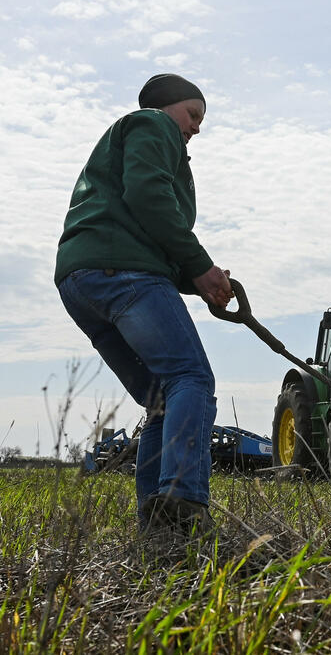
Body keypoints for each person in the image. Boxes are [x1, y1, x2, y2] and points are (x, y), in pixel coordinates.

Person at [55, 73, 232, 536]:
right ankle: (185, 499)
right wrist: (200, 264)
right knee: (191, 378)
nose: (196, 128)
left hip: (83, 281)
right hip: (125, 275)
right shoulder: (153, 124)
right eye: (193, 115)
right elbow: (149, 197)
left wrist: (203, 283)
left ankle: (157, 528)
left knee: (159, 401)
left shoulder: (132, 141)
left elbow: (143, 230)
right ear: (167, 106)